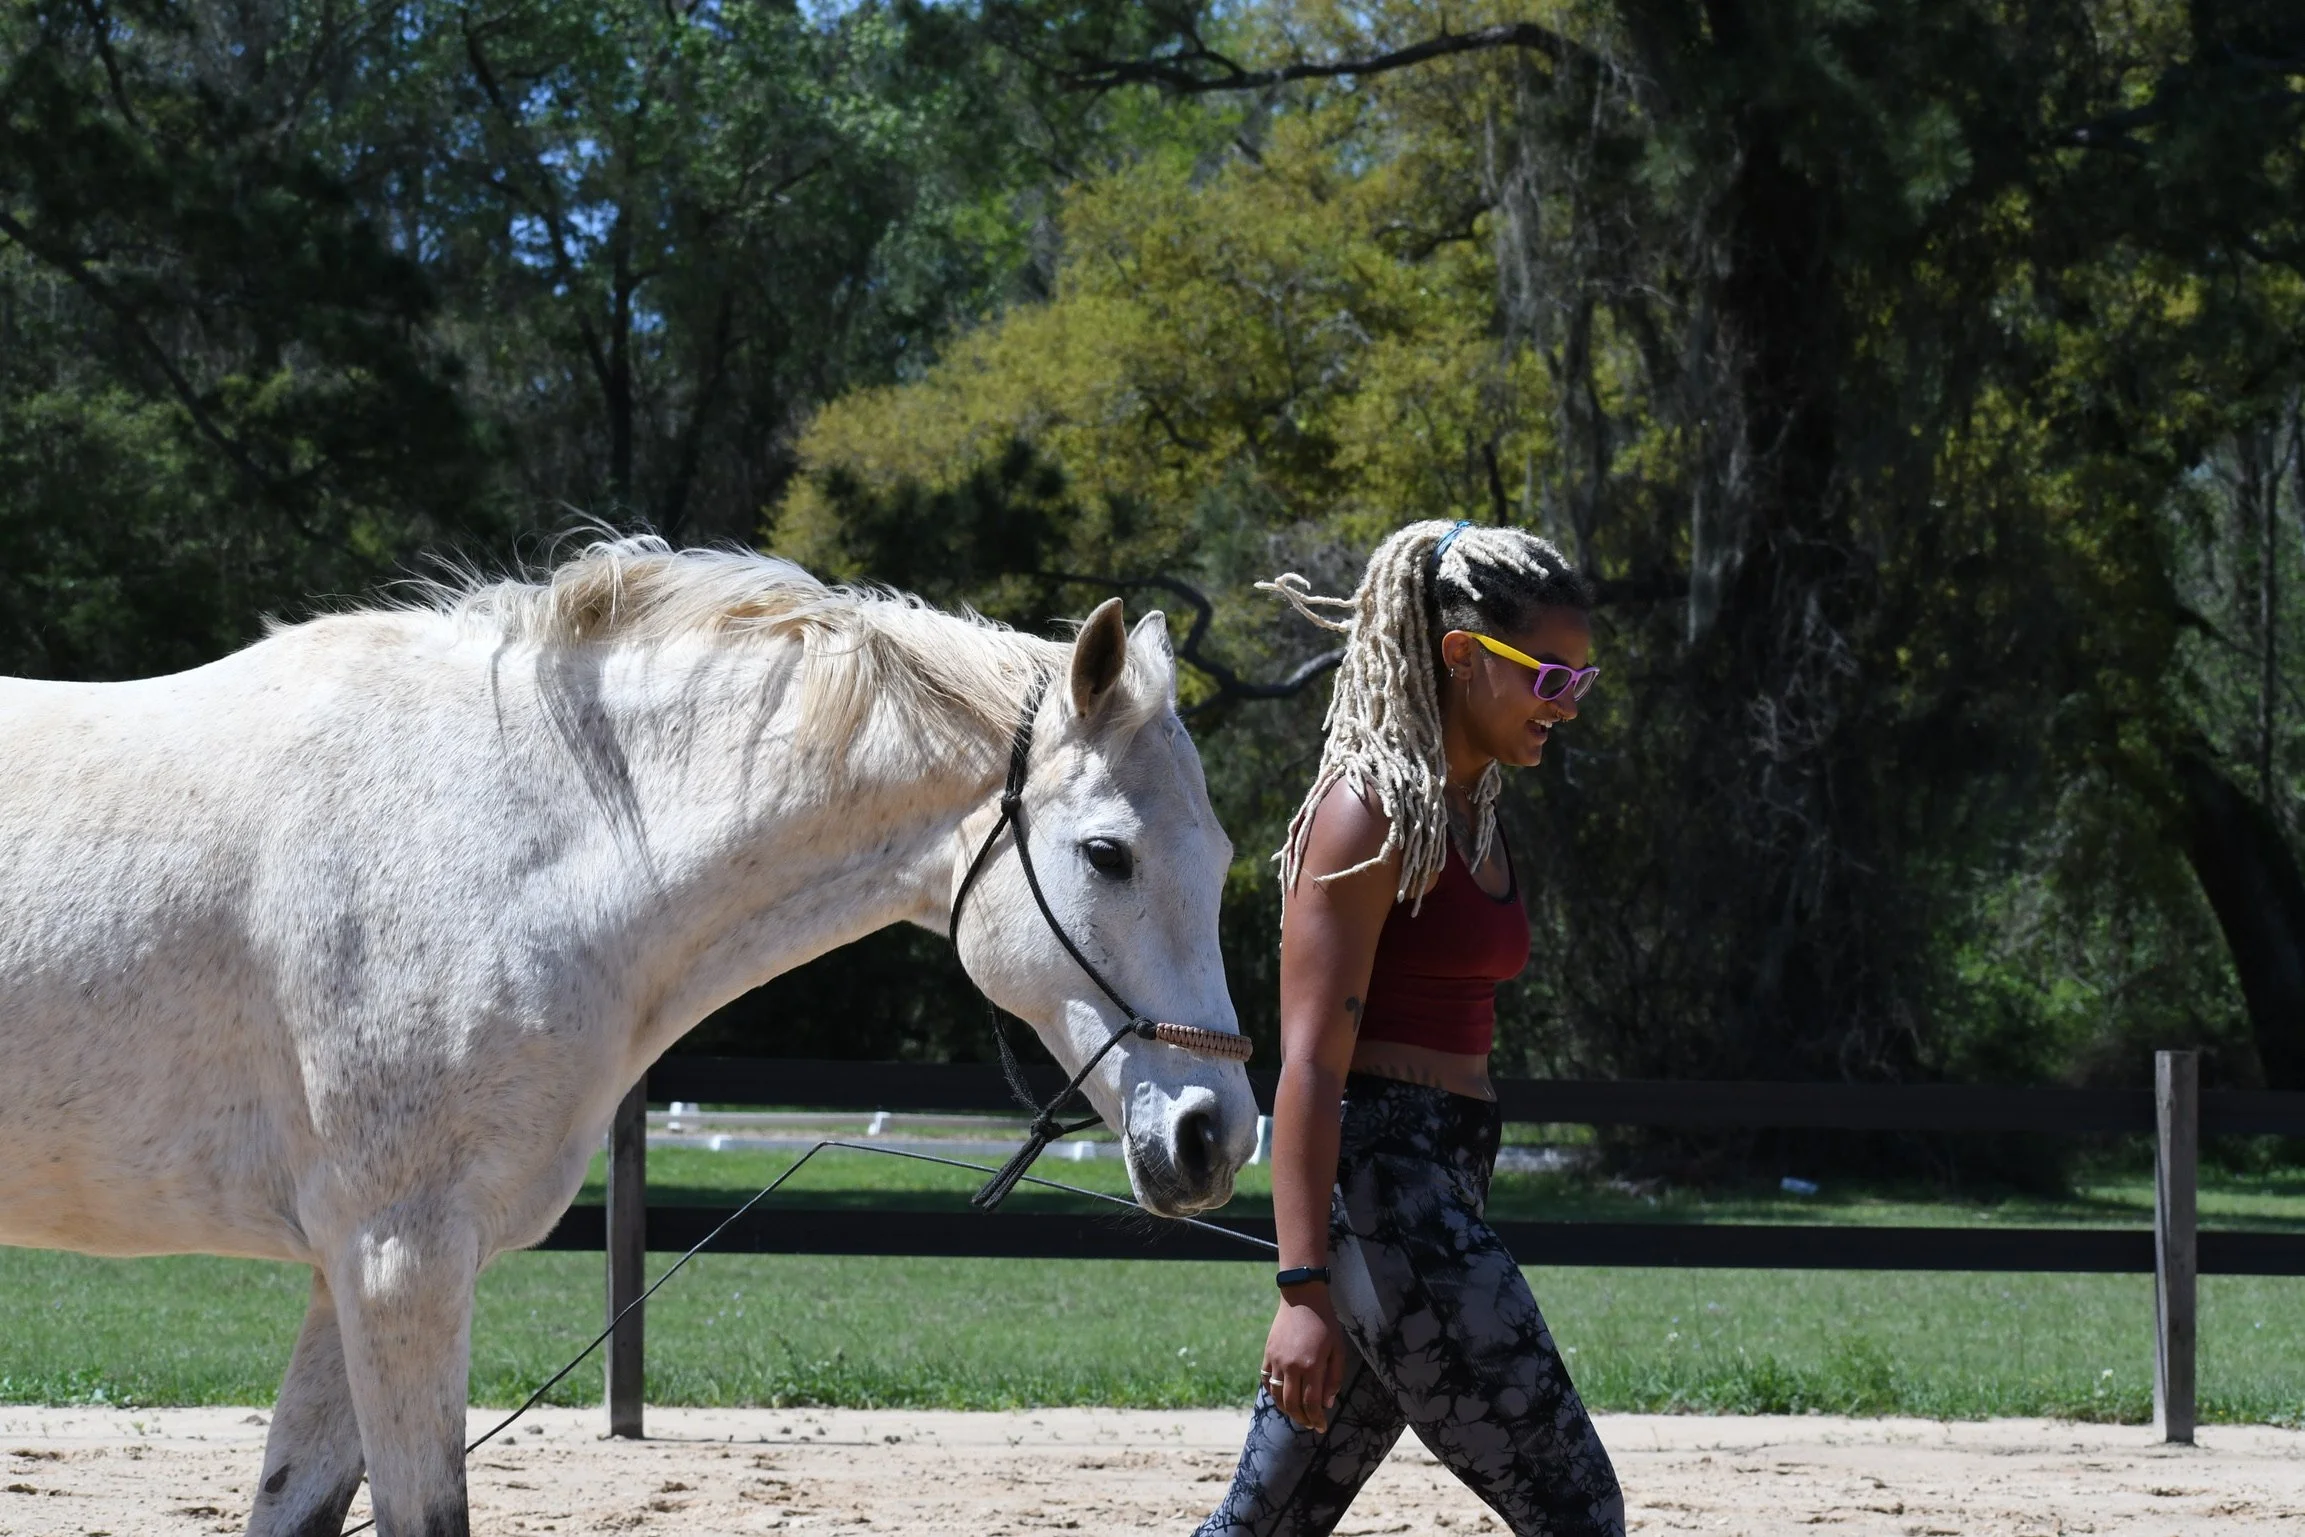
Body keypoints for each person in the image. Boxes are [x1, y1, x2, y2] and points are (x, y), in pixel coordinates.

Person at [1196, 520, 1625, 1537]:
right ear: (1463, 655)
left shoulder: (1467, 807)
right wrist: (1302, 1289)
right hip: (1389, 1198)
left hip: (1434, 1188)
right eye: (1548, 678)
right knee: (1576, 1505)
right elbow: (1307, 1066)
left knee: (1267, 1524)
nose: (1564, 705)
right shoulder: (1366, 813)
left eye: (1582, 681)